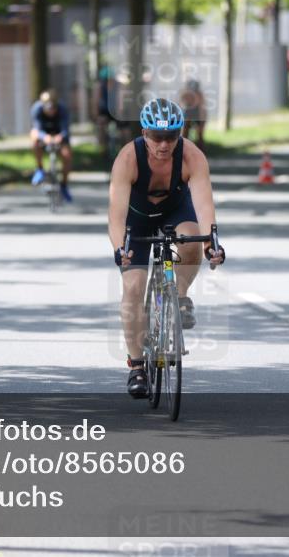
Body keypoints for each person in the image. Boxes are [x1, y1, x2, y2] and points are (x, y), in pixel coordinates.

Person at [108, 98, 226, 398]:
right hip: (137, 220)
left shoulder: (191, 156)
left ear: (181, 133)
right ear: (144, 133)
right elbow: (116, 213)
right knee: (133, 286)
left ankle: (181, 295)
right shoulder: (128, 158)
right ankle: (136, 367)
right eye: (157, 137)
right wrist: (119, 247)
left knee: (191, 239)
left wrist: (212, 243)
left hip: (175, 212)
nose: (163, 145)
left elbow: (204, 205)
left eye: (171, 137)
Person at [30, 89, 73, 203]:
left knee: (67, 155)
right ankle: (39, 169)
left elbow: (66, 129)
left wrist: (61, 136)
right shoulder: (36, 109)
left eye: (53, 108)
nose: (51, 111)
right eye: (48, 109)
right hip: (44, 134)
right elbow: (37, 128)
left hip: (59, 134)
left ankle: (64, 184)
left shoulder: (63, 109)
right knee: (34, 137)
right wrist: (44, 137)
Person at [178, 79, 207, 149]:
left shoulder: (199, 95)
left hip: (196, 113)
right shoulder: (184, 94)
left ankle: (200, 149)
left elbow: (202, 108)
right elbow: (180, 103)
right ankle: (183, 149)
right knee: (185, 131)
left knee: (199, 134)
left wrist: (202, 121)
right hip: (187, 113)